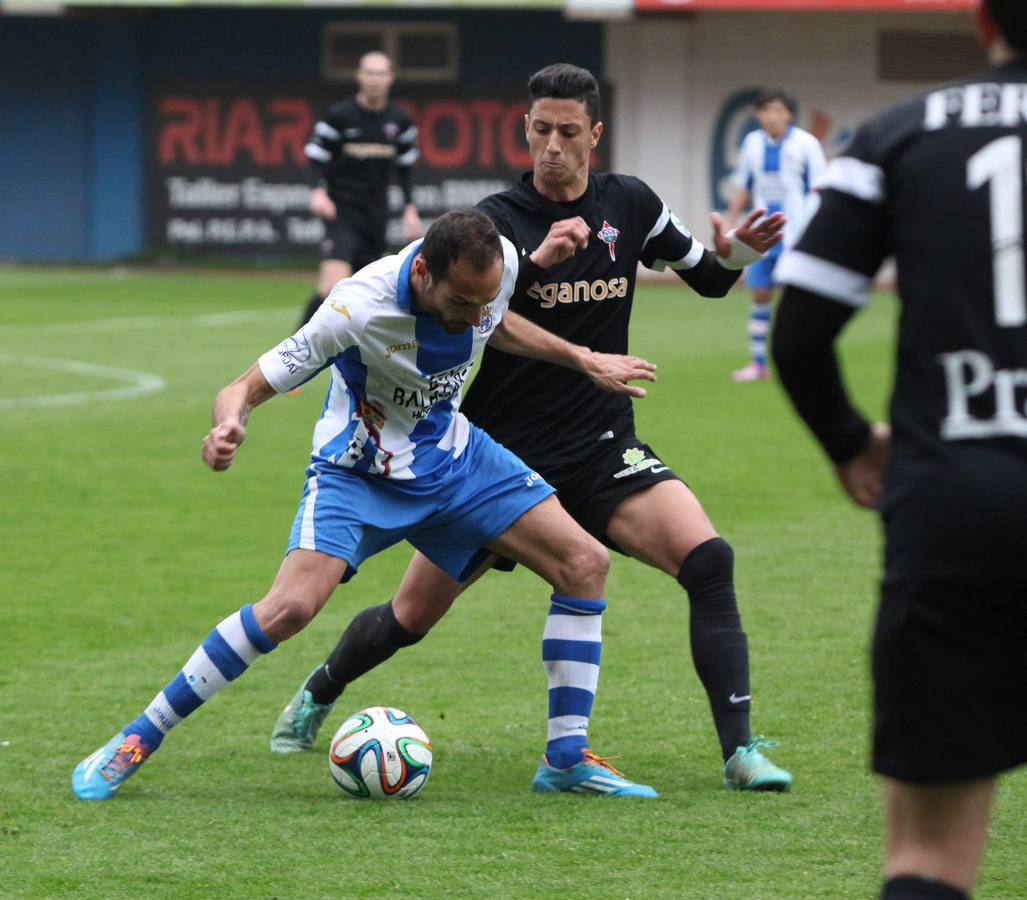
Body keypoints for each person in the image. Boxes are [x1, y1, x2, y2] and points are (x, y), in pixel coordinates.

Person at [272, 63, 793, 795]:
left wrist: (737, 249)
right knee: (411, 615)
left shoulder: (632, 204)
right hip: (496, 457)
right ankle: (320, 689)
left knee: (708, 560)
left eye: (568, 132)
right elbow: (487, 317)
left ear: (594, 134)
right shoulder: (494, 225)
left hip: (601, 448)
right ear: (525, 128)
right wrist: (580, 353)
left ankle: (740, 752)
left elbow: (708, 276)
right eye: (540, 129)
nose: (552, 145)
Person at [70, 208, 665, 801]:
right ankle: (138, 737)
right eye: (460, 301)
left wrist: (581, 357)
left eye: (481, 302)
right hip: (357, 473)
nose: (470, 319)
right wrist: (228, 427)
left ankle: (564, 759)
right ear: (425, 272)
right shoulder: (356, 306)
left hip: (452, 457)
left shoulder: (499, 266)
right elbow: (241, 389)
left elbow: (496, 321)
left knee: (585, 563)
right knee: (289, 609)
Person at [773, 2, 1027, 896]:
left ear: (981, 18)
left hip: (953, 500)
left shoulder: (895, 137)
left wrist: (849, 442)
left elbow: (797, 334)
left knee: (927, 858)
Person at [298, 51, 422, 329]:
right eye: (368, 72)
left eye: (380, 73)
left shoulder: (400, 120)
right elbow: (316, 158)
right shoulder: (339, 116)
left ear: (390, 78)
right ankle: (293, 349)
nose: (374, 79)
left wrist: (410, 208)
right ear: (359, 77)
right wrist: (317, 191)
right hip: (341, 211)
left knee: (363, 293)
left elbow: (405, 169)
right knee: (332, 285)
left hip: (375, 216)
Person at [725, 89, 825, 382]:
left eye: (779, 110)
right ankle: (758, 363)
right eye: (767, 110)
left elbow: (819, 189)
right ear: (759, 115)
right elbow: (745, 184)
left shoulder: (807, 144)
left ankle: (805, 361)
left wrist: (817, 229)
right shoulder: (752, 143)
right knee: (760, 294)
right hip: (762, 237)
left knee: (800, 301)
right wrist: (730, 220)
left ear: (789, 115)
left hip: (798, 235)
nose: (773, 116)